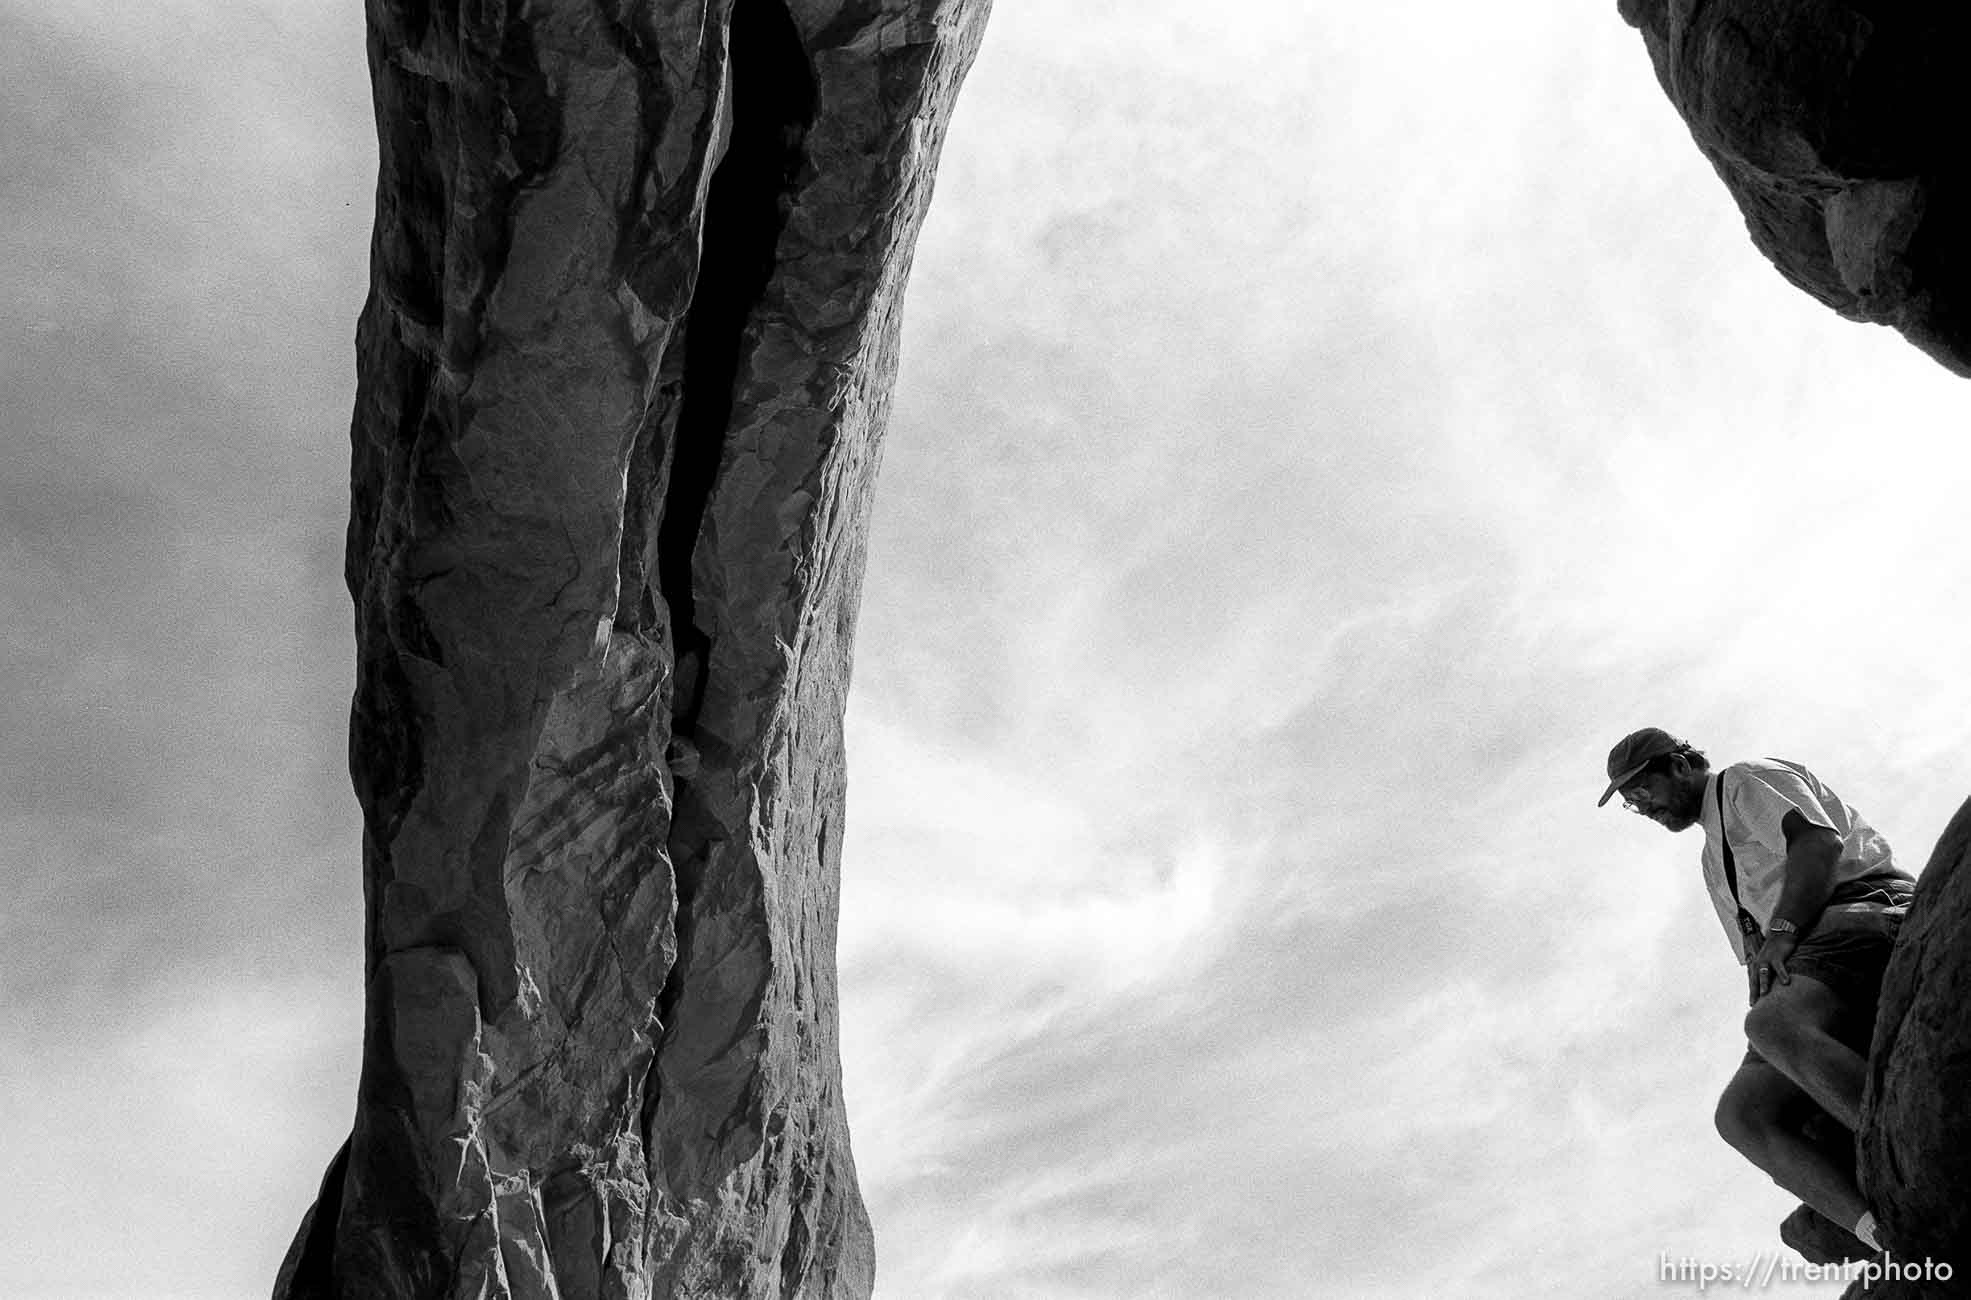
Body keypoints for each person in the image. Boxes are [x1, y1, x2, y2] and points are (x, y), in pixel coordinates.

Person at [1598, 727, 1915, 1253]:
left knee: (1772, 1026)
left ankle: (1909, 1151)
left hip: (1860, 916)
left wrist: (1784, 935)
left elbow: (1817, 843)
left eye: (1642, 789)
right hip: (1811, 962)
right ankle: (1885, 1234)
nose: (1641, 805)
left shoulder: (1745, 781)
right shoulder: (1710, 857)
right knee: (1741, 1114)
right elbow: (1755, 954)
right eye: (1631, 802)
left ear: (1679, 765)